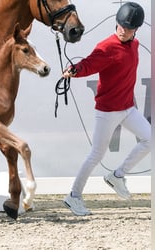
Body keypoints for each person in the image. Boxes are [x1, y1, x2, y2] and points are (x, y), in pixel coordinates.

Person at [62, 2, 150, 216]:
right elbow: (89, 63)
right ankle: (73, 196)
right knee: (96, 155)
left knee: (150, 139)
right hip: (108, 111)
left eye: (128, 28)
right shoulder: (107, 46)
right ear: (117, 24)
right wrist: (75, 70)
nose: (123, 30)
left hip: (128, 108)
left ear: (136, 30)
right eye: (121, 26)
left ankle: (117, 176)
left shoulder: (135, 45)